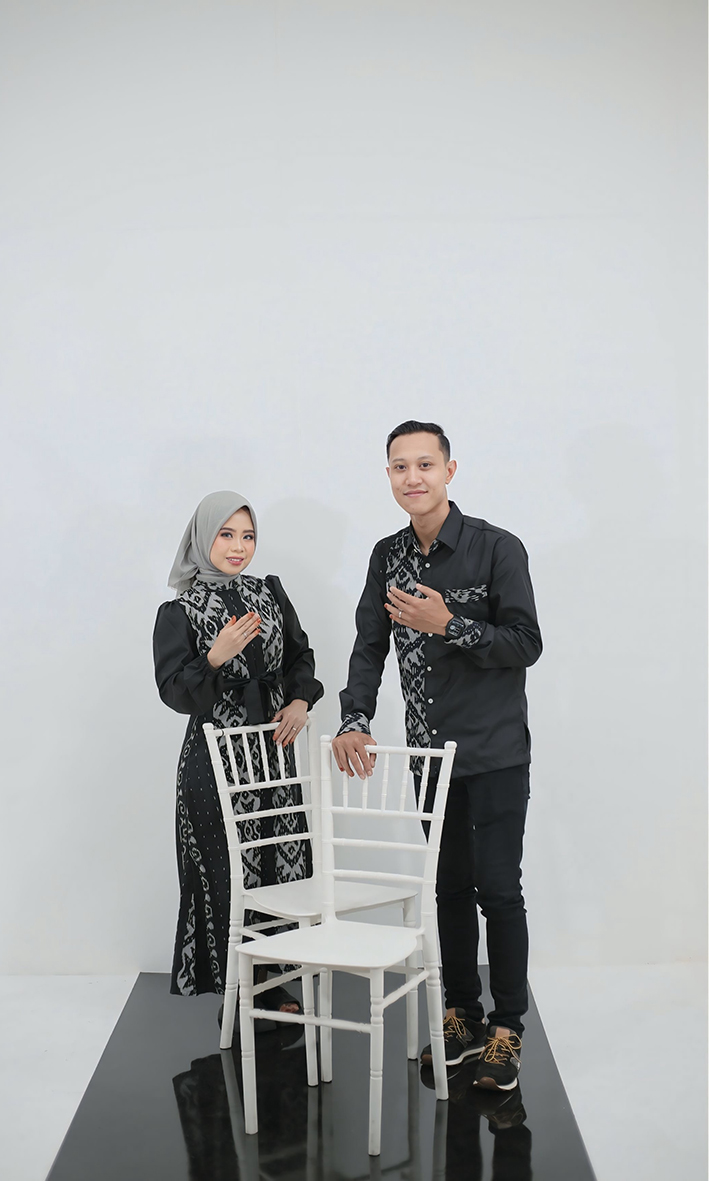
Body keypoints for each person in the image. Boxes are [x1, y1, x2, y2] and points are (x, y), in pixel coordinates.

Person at [332, 422, 542, 1091]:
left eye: (425, 464)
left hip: (495, 752)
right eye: (400, 466)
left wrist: (449, 624)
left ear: (450, 470)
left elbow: (525, 643)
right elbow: (369, 645)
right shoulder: (386, 556)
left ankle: (506, 1027)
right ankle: (461, 1014)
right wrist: (355, 717)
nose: (412, 477)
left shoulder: (496, 547)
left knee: (498, 890)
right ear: (389, 476)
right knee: (448, 888)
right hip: (429, 756)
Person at [153, 490, 323, 1013]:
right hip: (215, 762)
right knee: (227, 871)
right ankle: (234, 993)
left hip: (272, 753)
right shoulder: (178, 612)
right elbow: (175, 693)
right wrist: (214, 657)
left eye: (247, 536)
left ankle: (271, 982)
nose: (238, 547)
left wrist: (300, 700)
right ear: (203, 538)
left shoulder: (268, 593)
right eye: (226, 534)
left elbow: (300, 655)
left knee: (277, 865)